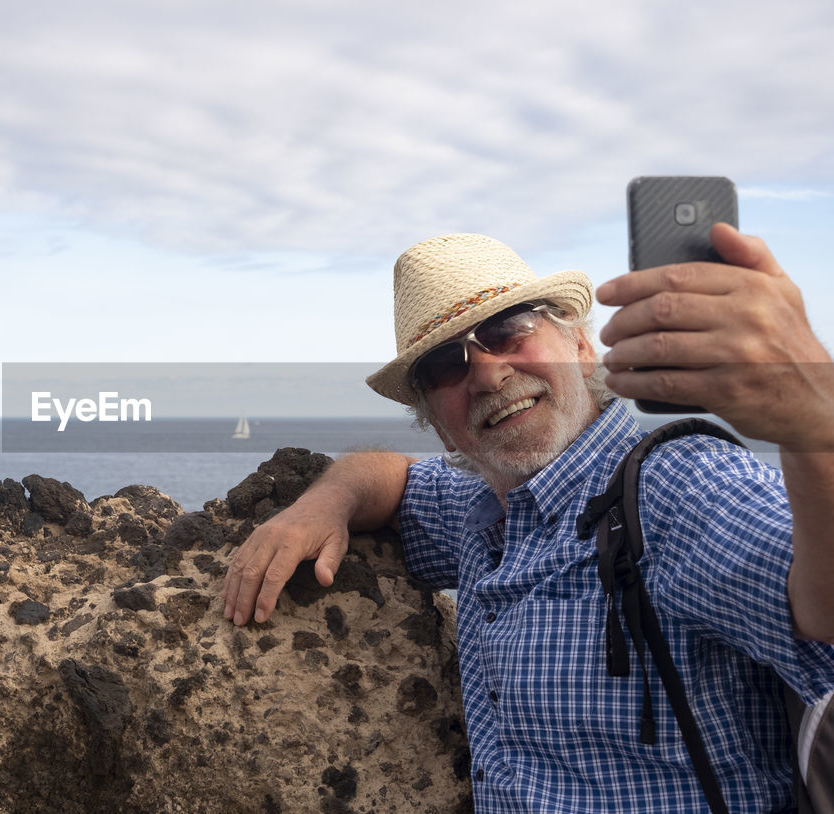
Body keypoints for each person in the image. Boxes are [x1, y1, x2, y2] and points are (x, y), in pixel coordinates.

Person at [220, 225, 834, 811]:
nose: (488, 372)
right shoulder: (487, 507)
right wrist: (324, 503)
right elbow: (391, 475)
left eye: (509, 330)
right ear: (439, 423)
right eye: (444, 366)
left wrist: (813, 418)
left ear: (581, 344)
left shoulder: (679, 489)